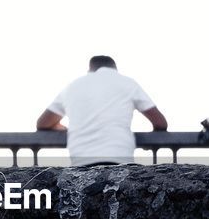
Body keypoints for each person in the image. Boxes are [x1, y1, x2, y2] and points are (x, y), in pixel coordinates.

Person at [36, 56, 168, 166]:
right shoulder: (127, 83)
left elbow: (43, 123)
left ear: (90, 69)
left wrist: (63, 128)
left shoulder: (73, 86)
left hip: (81, 163)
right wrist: (151, 142)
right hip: (120, 160)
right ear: (115, 69)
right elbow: (160, 123)